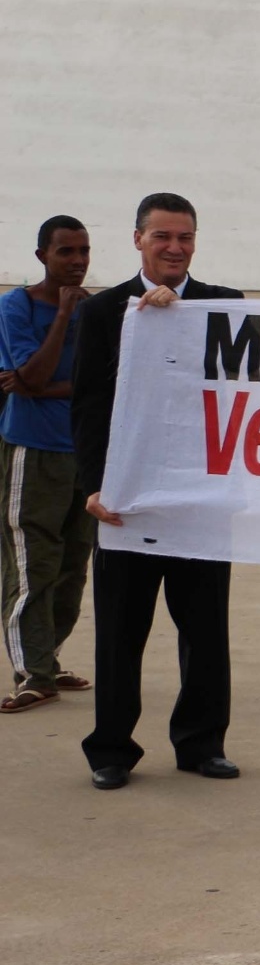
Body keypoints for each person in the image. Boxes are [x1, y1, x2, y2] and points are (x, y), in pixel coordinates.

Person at [71, 193, 246, 790]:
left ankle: (201, 744)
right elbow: (90, 404)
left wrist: (181, 314)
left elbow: (243, 397)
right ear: (138, 239)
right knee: (120, 631)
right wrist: (94, 485)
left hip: (200, 497)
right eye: (162, 237)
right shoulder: (102, 314)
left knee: (205, 629)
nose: (175, 248)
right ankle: (111, 750)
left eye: (185, 237)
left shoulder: (225, 307)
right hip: (128, 499)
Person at [0, 216, 95, 713]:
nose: (77, 261)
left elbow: (105, 383)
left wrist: (46, 387)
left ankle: (48, 657)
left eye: (83, 251)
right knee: (31, 563)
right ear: (43, 256)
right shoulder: (15, 306)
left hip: (85, 452)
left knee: (73, 565)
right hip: (31, 451)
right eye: (65, 252)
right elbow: (31, 377)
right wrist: (62, 317)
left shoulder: (100, 309)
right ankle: (31, 673)